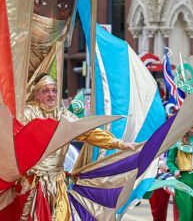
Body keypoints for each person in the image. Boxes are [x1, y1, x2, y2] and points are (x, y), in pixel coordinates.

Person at [19, 73, 136, 220]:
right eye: (45, 91)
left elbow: (89, 133)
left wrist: (120, 143)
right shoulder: (28, 114)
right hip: (33, 184)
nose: (51, 95)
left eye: (54, 91)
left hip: (57, 183)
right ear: (36, 94)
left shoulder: (64, 116)